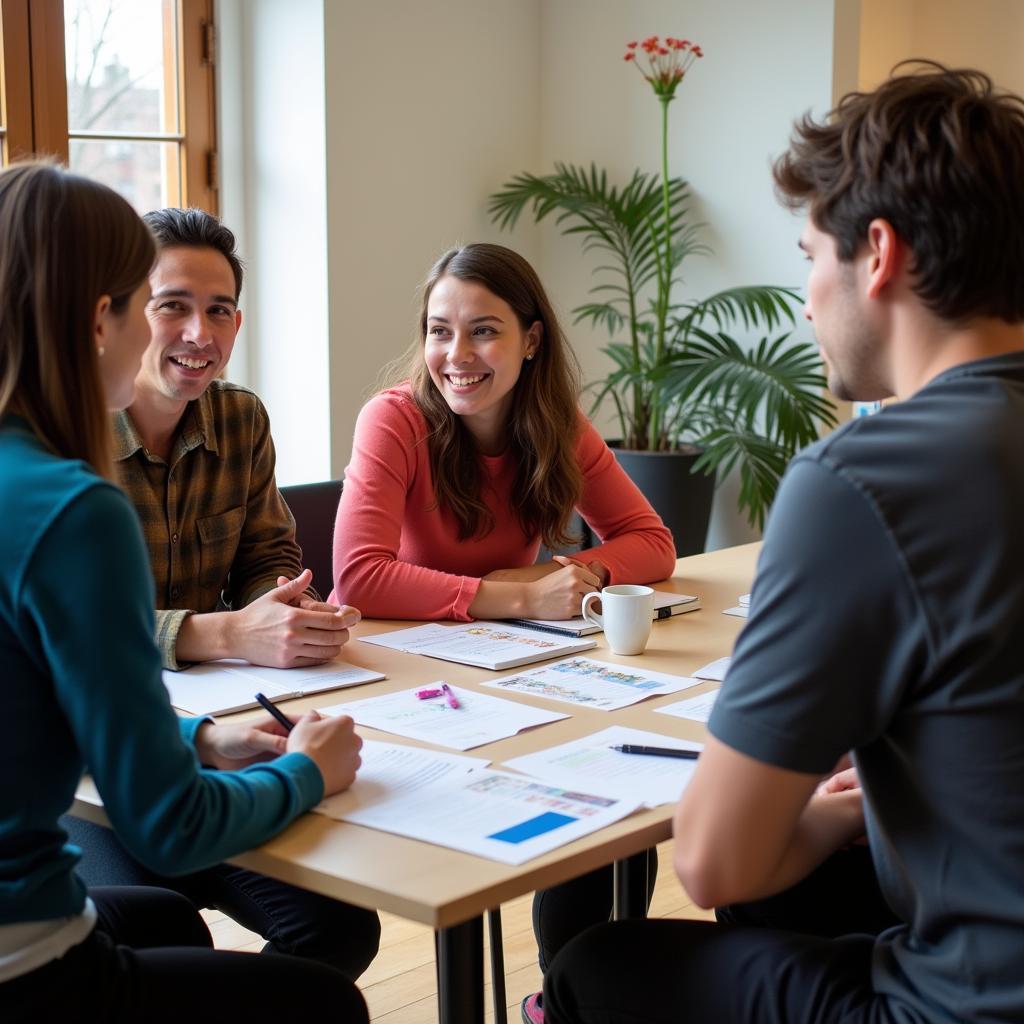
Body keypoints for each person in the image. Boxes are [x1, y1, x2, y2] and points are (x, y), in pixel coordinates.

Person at [543, 63, 1024, 1024]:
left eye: (810, 255)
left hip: (967, 1007)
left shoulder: (864, 478)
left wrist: (843, 807)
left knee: (601, 963)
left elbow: (714, 861)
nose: (805, 299)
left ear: (877, 253)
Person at [0, 161, 368, 1022]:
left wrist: (198, 736)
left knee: (167, 919)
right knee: (327, 1007)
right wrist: (309, 773)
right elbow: (168, 824)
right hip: (26, 962)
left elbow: (40, 694)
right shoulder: (71, 507)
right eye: (153, 304)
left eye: (220, 310)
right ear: (105, 318)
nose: (191, 335)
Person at [330, 242, 677, 1016]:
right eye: (439, 330)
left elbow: (652, 541)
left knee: (615, 791)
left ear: (531, 338)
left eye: (483, 331)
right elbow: (360, 575)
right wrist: (519, 594)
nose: (457, 355)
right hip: (411, 689)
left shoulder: (553, 423)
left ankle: (569, 994)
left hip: (513, 675)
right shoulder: (395, 420)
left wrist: (575, 575)